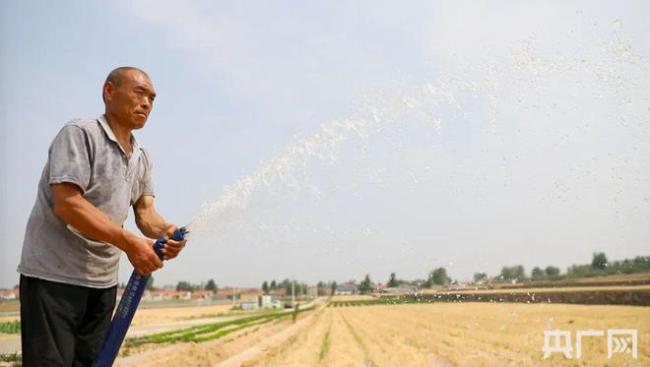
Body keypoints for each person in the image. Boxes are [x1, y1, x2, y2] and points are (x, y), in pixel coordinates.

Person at [17, 66, 186, 366]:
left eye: (152, 98)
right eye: (139, 93)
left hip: (101, 284)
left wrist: (166, 231)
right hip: (53, 279)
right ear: (109, 91)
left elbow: (145, 214)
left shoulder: (140, 157)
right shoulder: (81, 134)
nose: (147, 103)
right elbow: (68, 204)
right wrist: (129, 243)